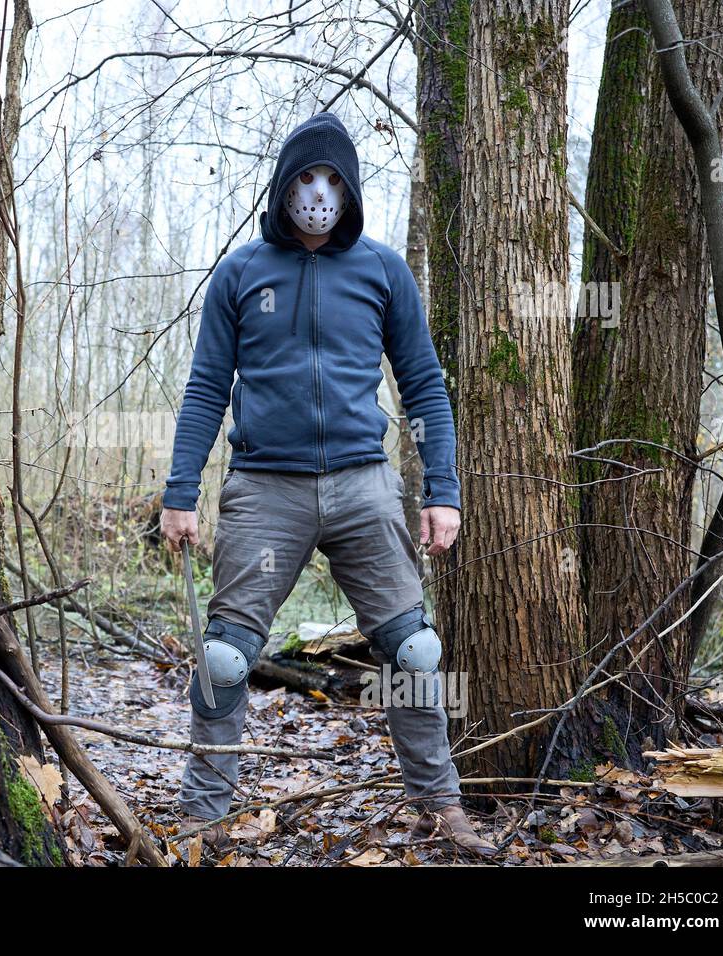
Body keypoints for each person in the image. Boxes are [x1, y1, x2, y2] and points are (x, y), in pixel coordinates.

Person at [161, 112, 495, 857]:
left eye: (333, 180)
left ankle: (441, 805)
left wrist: (443, 490)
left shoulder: (381, 270)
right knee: (222, 658)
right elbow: (206, 387)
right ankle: (202, 818)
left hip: (364, 485)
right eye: (307, 179)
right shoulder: (243, 273)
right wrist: (179, 492)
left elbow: (425, 387)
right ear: (283, 188)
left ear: (350, 192)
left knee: (413, 654)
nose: (319, 193)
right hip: (263, 490)